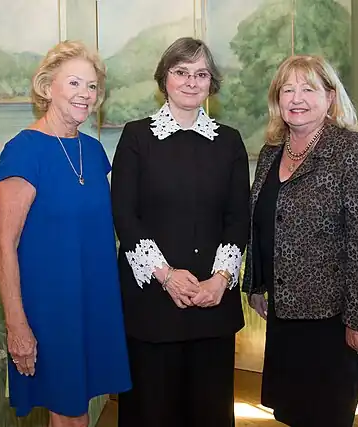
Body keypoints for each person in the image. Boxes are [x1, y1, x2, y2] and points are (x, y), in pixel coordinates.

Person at [242, 55, 358, 427]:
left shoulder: (355, 153)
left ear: (330, 97)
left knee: (325, 415)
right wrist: (257, 283)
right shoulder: (271, 153)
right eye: (287, 90)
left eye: (308, 89)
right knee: (293, 413)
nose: (296, 98)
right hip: (283, 316)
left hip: (332, 321)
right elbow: (262, 222)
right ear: (277, 100)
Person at [111, 36, 250, 427]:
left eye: (201, 74)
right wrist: (167, 276)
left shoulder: (230, 142)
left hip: (212, 304)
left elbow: (238, 218)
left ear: (211, 83)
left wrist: (220, 280)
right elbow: (124, 215)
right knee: (150, 412)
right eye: (181, 72)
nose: (191, 81)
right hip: (152, 305)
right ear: (164, 79)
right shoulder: (136, 137)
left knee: (209, 412)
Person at [0, 40, 131, 427]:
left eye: (92, 86)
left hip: (93, 301)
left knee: (75, 411)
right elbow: (4, 245)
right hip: (50, 308)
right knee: (68, 412)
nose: (85, 94)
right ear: (47, 86)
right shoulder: (23, 151)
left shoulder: (93, 150)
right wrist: (17, 325)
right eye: (74, 83)